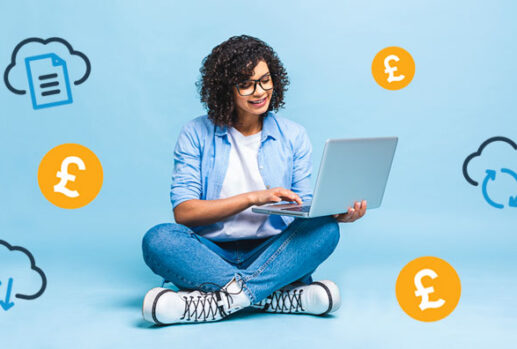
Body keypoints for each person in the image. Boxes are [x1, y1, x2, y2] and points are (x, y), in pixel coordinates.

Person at [141, 35, 367, 325]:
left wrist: (335, 211)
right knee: (158, 239)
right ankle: (273, 296)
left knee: (326, 229)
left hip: (273, 251)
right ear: (225, 90)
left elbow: (304, 205)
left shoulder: (294, 136)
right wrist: (253, 197)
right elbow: (184, 213)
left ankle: (222, 300)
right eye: (246, 84)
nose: (259, 91)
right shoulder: (195, 133)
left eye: (265, 80)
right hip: (211, 254)